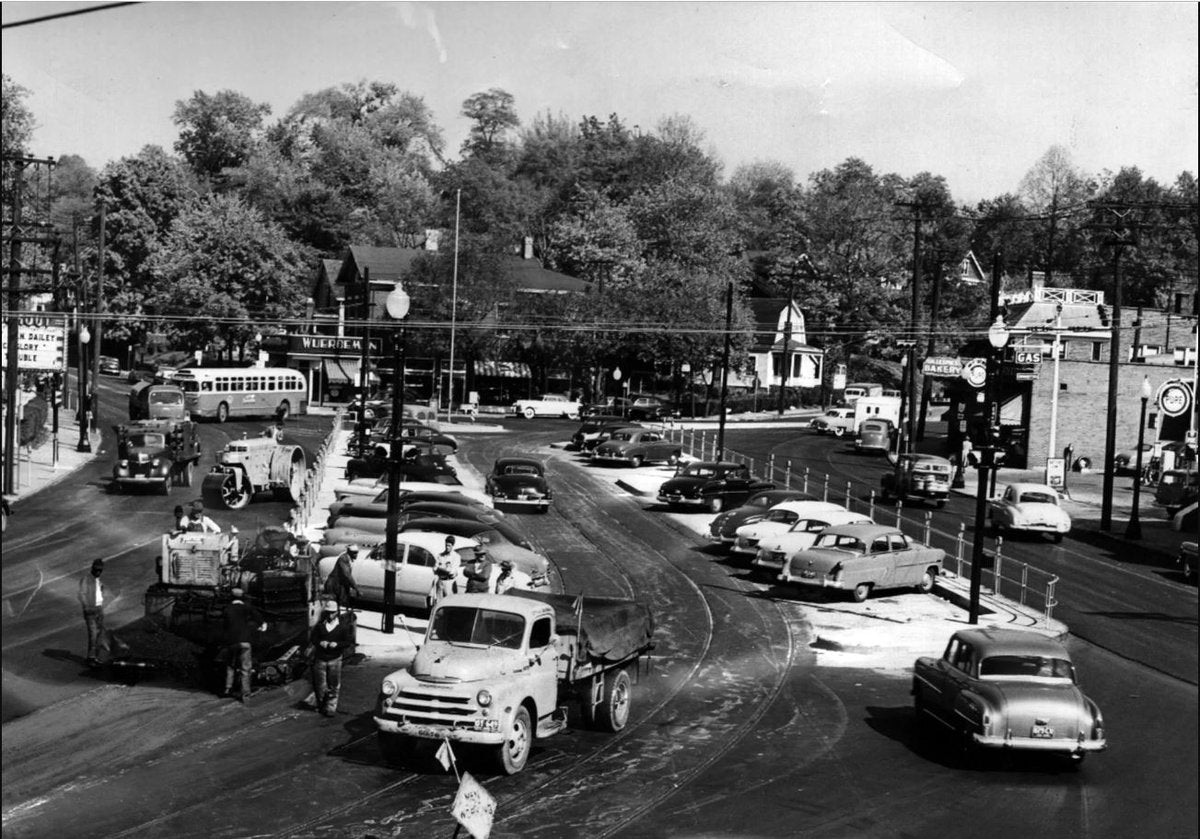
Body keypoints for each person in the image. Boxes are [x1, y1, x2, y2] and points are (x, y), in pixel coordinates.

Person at [308, 597, 355, 717]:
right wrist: (320, 643)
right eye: (328, 613)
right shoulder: (320, 626)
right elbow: (313, 639)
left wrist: (337, 644)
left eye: (332, 613)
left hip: (335, 659)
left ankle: (331, 707)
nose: (330, 615)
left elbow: (348, 641)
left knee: (334, 685)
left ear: (337, 613)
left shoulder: (342, 627)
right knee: (320, 685)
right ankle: (321, 705)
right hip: (320, 659)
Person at [221, 586, 265, 703]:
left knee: (230, 665)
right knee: (245, 668)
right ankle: (245, 694)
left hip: (232, 642)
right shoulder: (247, 607)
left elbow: (224, 626)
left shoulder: (227, 609)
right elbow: (259, 618)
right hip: (245, 641)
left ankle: (227, 689)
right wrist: (261, 626)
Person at [78, 558, 109, 666]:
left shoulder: (98, 580)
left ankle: (95, 656)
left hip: (99, 609)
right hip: (91, 610)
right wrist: (86, 607)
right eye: (96, 570)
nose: (98, 572)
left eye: (100, 570)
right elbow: (82, 594)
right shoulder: (86, 579)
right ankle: (91, 657)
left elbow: (100, 592)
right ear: (92, 568)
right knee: (93, 634)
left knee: (100, 634)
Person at [430, 535, 461, 606]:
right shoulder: (440, 555)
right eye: (446, 545)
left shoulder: (456, 557)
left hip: (449, 582)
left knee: (448, 603)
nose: (447, 547)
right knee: (438, 603)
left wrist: (440, 569)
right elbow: (434, 569)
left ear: (453, 546)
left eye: (449, 546)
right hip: (440, 582)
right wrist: (444, 569)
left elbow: (451, 572)